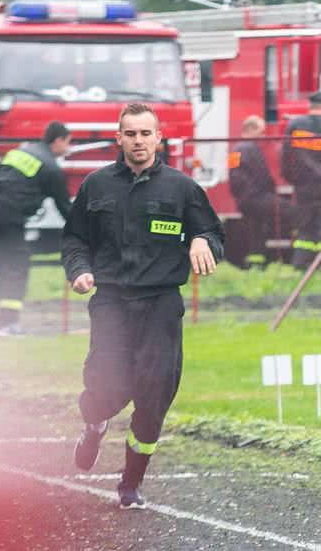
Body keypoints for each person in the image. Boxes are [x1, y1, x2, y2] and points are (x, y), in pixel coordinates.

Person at [62, 103, 224, 510]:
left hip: (161, 304)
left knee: (154, 395)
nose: (138, 141)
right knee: (105, 388)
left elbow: (210, 230)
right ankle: (95, 422)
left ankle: (130, 483)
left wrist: (203, 241)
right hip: (112, 301)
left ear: (158, 138)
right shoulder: (96, 185)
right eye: (130, 134)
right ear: (118, 138)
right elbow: (74, 239)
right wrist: (78, 270)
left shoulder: (181, 188)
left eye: (145, 134)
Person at [0, 121, 72, 336]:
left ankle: (3, 320)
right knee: (16, 265)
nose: (68, 148)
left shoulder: (19, 152)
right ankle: (7, 325)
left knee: (8, 266)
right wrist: (83, 230)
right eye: (68, 143)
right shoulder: (51, 166)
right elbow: (65, 207)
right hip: (9, 215)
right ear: (58, 141)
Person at [281, 92, 321, 269]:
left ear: (310, 106)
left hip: (303, 185)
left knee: (305, 227)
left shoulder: (295, 125)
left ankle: (300, 265)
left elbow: (286, 157)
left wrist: (292, 179)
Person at [229, 115, 297, 266]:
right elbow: (262, 175)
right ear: (250, 130)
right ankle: (292, 255)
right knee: (292, 211)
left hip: (245, 199)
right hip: (256, 197)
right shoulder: (248, 148)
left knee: (257, 233)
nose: (263, 136)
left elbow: (235, 178)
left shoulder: (237, 150)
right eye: (260, 132)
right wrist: (270, 190)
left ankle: (257, 261)